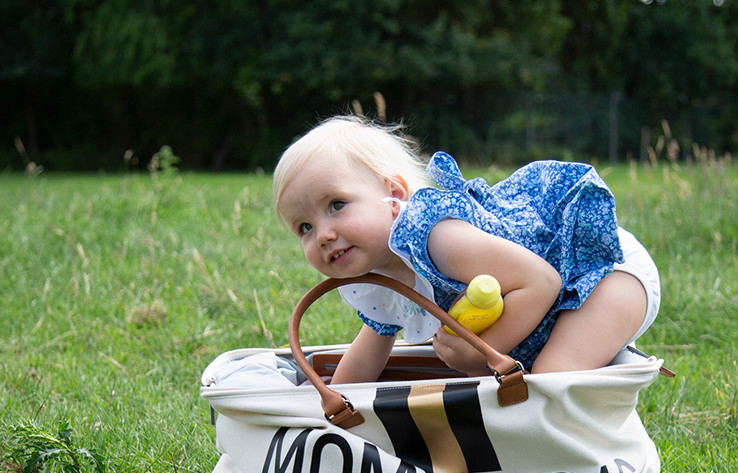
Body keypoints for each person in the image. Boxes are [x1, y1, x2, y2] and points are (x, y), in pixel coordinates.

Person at [273, 115, 660, 384]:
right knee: (488, 384)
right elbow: (364, 358)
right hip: (550, 303)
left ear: (394, 195)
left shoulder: (435, 235)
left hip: (600, 272)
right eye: (304, 227)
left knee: (551, 379)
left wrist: (483, 351)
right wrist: (325, 407)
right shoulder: (376, 279)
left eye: (337, 205)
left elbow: (543, 280)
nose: (322, 235)